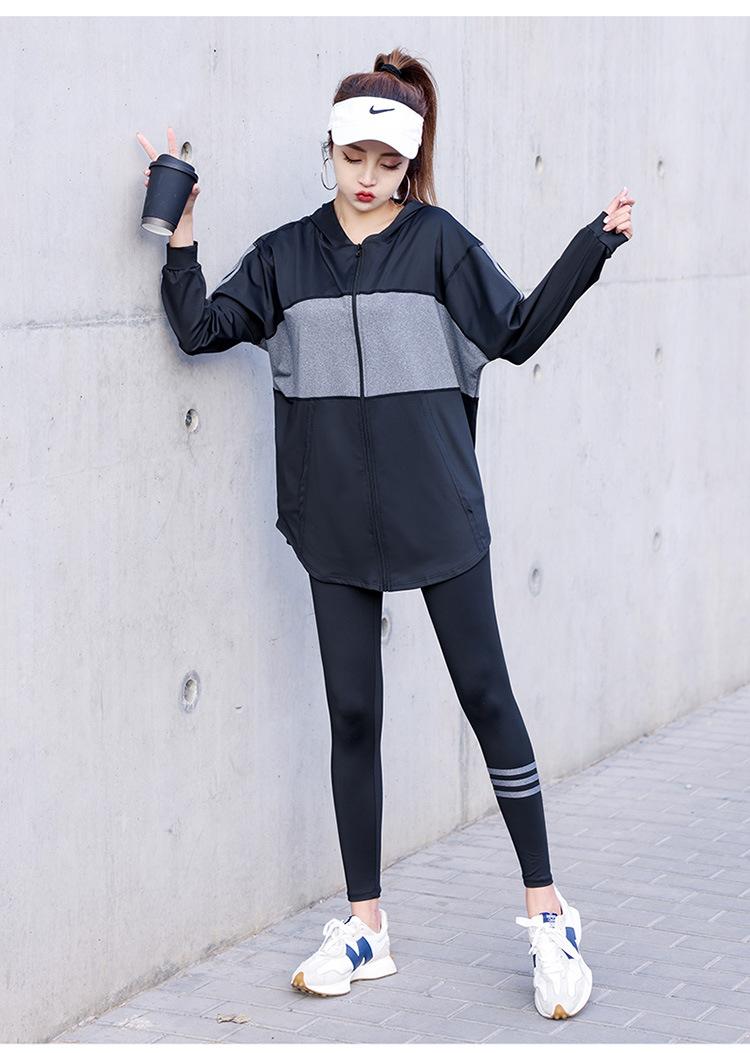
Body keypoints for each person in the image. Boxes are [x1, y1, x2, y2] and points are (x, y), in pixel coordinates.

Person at [137, 46, 634, 1022]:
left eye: (388, 163)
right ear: (330, 150)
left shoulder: (437, 243)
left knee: (487, 697)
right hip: (333, 519)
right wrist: (181, 238)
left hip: (437, 508)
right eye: (353, 156)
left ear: (410, 164)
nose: (367, 177)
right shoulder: (284, 256)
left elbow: (516, 331)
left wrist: (593, 245)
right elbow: (202, 330)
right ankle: (366, 926)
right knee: (354, 714)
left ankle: (550, 913)